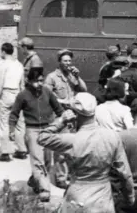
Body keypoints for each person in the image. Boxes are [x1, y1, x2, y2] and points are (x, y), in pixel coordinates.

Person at [37, 93, 135, 212]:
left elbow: (42, 137)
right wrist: (129, 197)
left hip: (77, 195)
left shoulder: (71, 140)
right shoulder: (112, 136)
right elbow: (125, 173)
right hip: (102, 197)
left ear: (74, 114)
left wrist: (61, 120)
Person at [9, 67, 64, 202]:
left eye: (41, 80)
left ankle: (35, 180)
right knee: (38, 161)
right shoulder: (22, 95)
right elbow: (14, 114)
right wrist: (11, 130)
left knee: (46, 161)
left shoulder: (47, 92)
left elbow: (59, 109)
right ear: (29, 81)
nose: (39, 84)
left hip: (48, 129)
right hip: (32, 130)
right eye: (36, 81)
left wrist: (64, 120)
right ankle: (45, 190)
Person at [44, 48, 87, 188]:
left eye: (69, 60)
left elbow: (84, 90)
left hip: (72, 117)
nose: (68, 63)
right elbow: (46, 96)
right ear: (59, 62)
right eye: (65, 61)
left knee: (73, 147)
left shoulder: (72, 76)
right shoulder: (52, 77)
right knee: (61, 149)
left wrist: (78, 77)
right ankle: (60, 178)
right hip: (59, 116)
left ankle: (70, 174)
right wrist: (63, 102)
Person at [16, 37, 43, 158]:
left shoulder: (35, 60)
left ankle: (32, 148)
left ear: (25, 47)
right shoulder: (29, 59)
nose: (21, 50)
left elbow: (36, 80)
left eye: (21, 47)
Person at [0, 43, 25, 161]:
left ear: (3, 51)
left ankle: (5, 152)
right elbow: (22, 83)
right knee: (19, 123)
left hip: (6, 93)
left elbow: (0, 82)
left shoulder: (2, 64)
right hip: (18, 93)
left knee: (3, 123)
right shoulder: (19, 65)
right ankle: (21, 149)